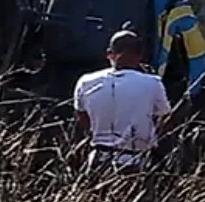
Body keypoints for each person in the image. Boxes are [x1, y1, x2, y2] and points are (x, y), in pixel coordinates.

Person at [73, 29, 171, 174]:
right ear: (140, 55)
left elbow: (82, 117)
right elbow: (165, 119)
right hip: (136, 164)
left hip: (98, 162)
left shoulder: (85, 82)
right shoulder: (153, 83)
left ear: (109, 54)